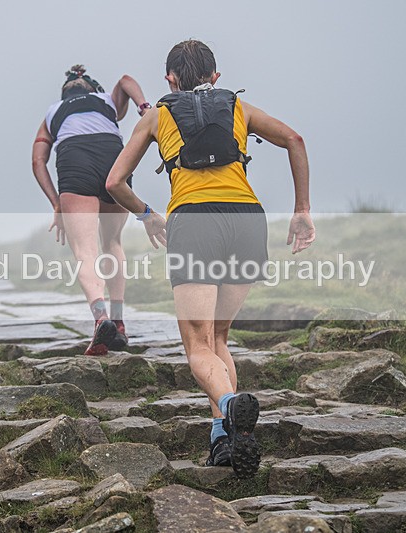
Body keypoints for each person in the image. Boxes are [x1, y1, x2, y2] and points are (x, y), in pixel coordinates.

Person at [105, 40, 315, 478]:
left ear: (170, 80)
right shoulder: (239, 107)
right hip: (246, 219)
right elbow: (294, 139)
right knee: (218, 337)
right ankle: (224, 438)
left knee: (198, 346)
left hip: (195, 223)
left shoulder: (156, 115)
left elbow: (115, 182)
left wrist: (147, 215)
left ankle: (230, 405)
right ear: (215, 77)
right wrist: (302, 212)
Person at [32, 65, 151, 355]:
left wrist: (57, 204)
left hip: (74, 159)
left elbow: (38, 162)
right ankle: (119, 322)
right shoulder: (106, 101)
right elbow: (125, 80)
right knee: (113, 242)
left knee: (86, 252)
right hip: (111, 155)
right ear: (93, 90)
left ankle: (101, 318)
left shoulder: (53, 112)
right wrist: (144, 107)